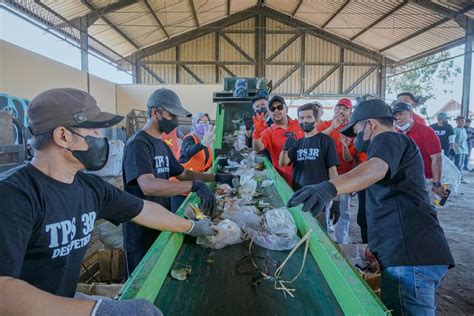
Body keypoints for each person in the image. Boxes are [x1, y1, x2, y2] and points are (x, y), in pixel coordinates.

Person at [0, 88, 213, 315]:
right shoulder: (13, 196)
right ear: (63, 136)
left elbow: (145, 210)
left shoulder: (90, 188)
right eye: (94, 129)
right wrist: (97, 310)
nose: (101, 138)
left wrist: (192, 227)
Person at [287, 98, 454, 316]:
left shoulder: (387, 139)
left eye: (357, 130)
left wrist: (328, 188)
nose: (357, 138)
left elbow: (373, 169)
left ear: (371, 125)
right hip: (409, 253)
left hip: (409, 258)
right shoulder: (392, 145)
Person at [122, 88, 235, 275]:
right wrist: (194, 186)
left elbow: (183, 174)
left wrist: (216, 177)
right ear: (155, 113)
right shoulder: (138, 144)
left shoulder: (161, 144)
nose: (174, 121)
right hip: (140, 229)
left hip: (160, 220)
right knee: (140, 279)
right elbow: (148, 186)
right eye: (171, 114)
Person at [279, 103, 340, 230]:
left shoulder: (326, 141)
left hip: (318, 198)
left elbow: (333, 171)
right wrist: (285, 149)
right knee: (300, 230)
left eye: (308, 117)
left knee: (319, 233)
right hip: (298, 195)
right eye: (301, 118)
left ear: (316, 120)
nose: (304, 121)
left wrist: (336, 200)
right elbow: (283, 163)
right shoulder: (298, 143)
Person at [316, 98, 357, 244]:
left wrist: (345, 146)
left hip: (345, 174)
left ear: (350, 112)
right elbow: (315, 140)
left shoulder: (354, 129)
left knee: (343, 210)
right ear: (333, 111)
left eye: (345, 109)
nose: (341, 111)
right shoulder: (325, 125)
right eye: (338, 108)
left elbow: (349, 158)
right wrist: (331, 128)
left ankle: (342, 241)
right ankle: (325, 238)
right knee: (325, 207)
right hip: (325, 173)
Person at [392, 102, 448, 200]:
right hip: (406, 181)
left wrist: (437, 183)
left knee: (426, 211)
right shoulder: (397, 134)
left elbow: (436, 158)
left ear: (410, 113)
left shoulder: (426, 131)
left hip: (426, 181)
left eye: (402, 114)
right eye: (395, 115)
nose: (398, 118)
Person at [252, 95, 304, 184]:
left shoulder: (300, 125)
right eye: (272, 109)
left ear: (286, 109)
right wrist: (256, 133)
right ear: (269, 112)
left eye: (279, 107)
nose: (276, 110)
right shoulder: (268, 132)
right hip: (284, 181)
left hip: (305, 177)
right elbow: (257, 148)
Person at [453, 115, 468, 181]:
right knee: (457, 165)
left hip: (464, 150)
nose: (462, 122)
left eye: (463, 121)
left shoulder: (464, 130)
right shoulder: (455, 130)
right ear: (457, 122)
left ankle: (459, 177)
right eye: (460, 121)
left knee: (461, 165)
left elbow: (465, 140)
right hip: (457, 150)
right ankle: (457, 178)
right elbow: (452, 140)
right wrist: (453, 149)